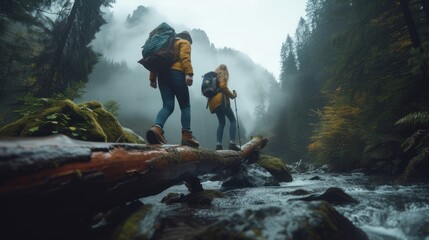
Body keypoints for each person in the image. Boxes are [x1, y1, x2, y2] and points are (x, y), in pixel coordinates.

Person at [146, 31, 199, 148]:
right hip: (177, 74)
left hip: (162, 76)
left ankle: (157, 128)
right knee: (185, 106)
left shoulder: (165, 44)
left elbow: (156, 60)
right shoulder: (184, 42)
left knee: (167, 106)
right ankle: (187, 136)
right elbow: (185, 57)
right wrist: (189, 73)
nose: (189, 43)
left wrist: (152, 78)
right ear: (187, 38)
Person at [208, 64, 240, 151]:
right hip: (221, 101)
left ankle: (219, 145)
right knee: (233, 120)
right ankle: (232, 143)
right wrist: (232, 95)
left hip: (213, 103)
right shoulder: (223, 74)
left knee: (221, 123)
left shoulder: (213, 76)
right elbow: (223, 86)